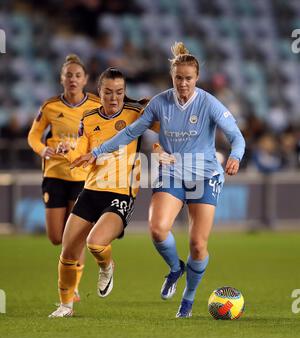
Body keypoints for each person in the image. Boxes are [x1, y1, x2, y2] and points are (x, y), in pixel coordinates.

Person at [71, 42, 246, 318]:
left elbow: (237, 136)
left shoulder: (209, 103)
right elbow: (130, 132)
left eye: (188, 78)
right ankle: (175, 268)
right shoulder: (160, 103)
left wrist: (235, 155)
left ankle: (187, 300)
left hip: (204, 174)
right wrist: (96, 152)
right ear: (172, 77)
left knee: (198, 245)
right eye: (179, 78)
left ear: (196, 78)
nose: (183, 83)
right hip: (172, 171)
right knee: (157, 229)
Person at [48, 67, 158, 318]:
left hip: (121, 193)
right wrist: (69, 151)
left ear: (125, 93)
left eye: (119, 92)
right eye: (108, 92)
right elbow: (82, 152)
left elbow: (167, 126)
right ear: (99, 92)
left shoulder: (135, 114)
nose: (114, 97)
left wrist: (157, 106)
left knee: (95, 243)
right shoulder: (88, 118)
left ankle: (107, 266)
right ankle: (65, 306)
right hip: (91, 189)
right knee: (68, 251)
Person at [28, 54, 100, 302]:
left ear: (85, 79)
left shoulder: (94, 105)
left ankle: (74, 286)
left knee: (75, 235)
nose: (73, 79)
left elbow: (102, 136)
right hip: (55, 175)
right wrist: (42, 149)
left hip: (82, 177)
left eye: (77, 75)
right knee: (56, 237)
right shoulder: (50, 107)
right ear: (62, 79)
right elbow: (33, 136)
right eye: (68, 75)